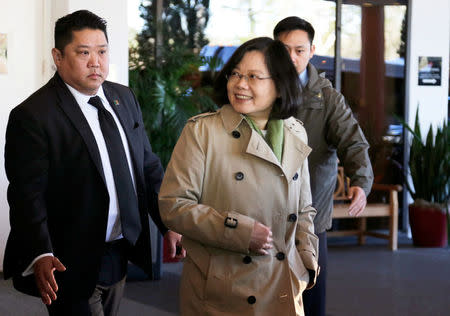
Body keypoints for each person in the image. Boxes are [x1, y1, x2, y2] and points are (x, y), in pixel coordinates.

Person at [3, 10, 184, 316]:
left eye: (102, 51)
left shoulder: (123, 98)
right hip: (68, 256)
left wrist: (168, 221)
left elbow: (147, 165)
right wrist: (41, 251)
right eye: (83, 52)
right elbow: (26, 194)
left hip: (118, 248)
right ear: (58, 56)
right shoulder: (33, 115)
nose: (95, 62)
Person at [159, 37, 319, 316]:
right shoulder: (202, 131)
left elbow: (304, 208)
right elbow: (174, 205)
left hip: (283, 283)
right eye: (236, 74)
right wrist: (237, 230)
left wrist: (306, 258)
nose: (240, 84)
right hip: (224, 290)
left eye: (253, 77)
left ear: (280, 86)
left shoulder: (296, 132)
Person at [273, 16, 374, 316]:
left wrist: (361, 181)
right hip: (264, 212)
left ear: (312, 50)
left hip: (310, 217)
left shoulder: (328, 98)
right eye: (284, 49)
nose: (291, 57)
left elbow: (353, 142)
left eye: (299, 50)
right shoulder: (260, 89)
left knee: (310, 295)